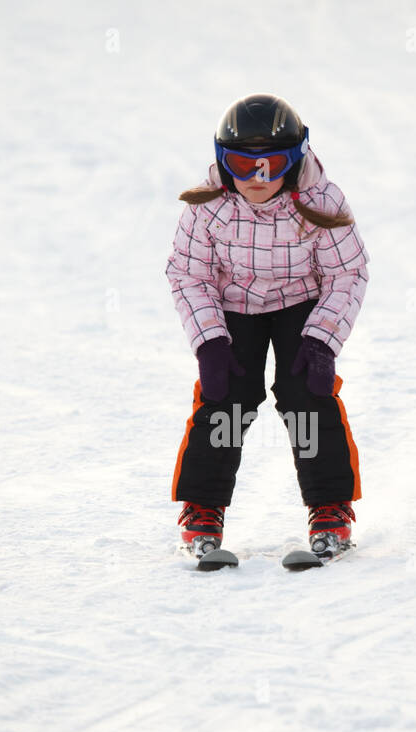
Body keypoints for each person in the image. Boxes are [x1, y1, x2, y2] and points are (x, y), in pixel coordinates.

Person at [166, 92, 370, 560]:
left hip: (302, 304)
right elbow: (188, 274)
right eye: (241, 164)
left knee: (307, 396)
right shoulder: (208, 207)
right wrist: (210, 343)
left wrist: (322, 340)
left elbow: (347, 272)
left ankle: (330, 508)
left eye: (271, 164)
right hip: (233, 306)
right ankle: (202, 510)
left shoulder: (322, 202)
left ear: (294, 160)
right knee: (225, 398)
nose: (257, 178)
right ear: (223, 160)